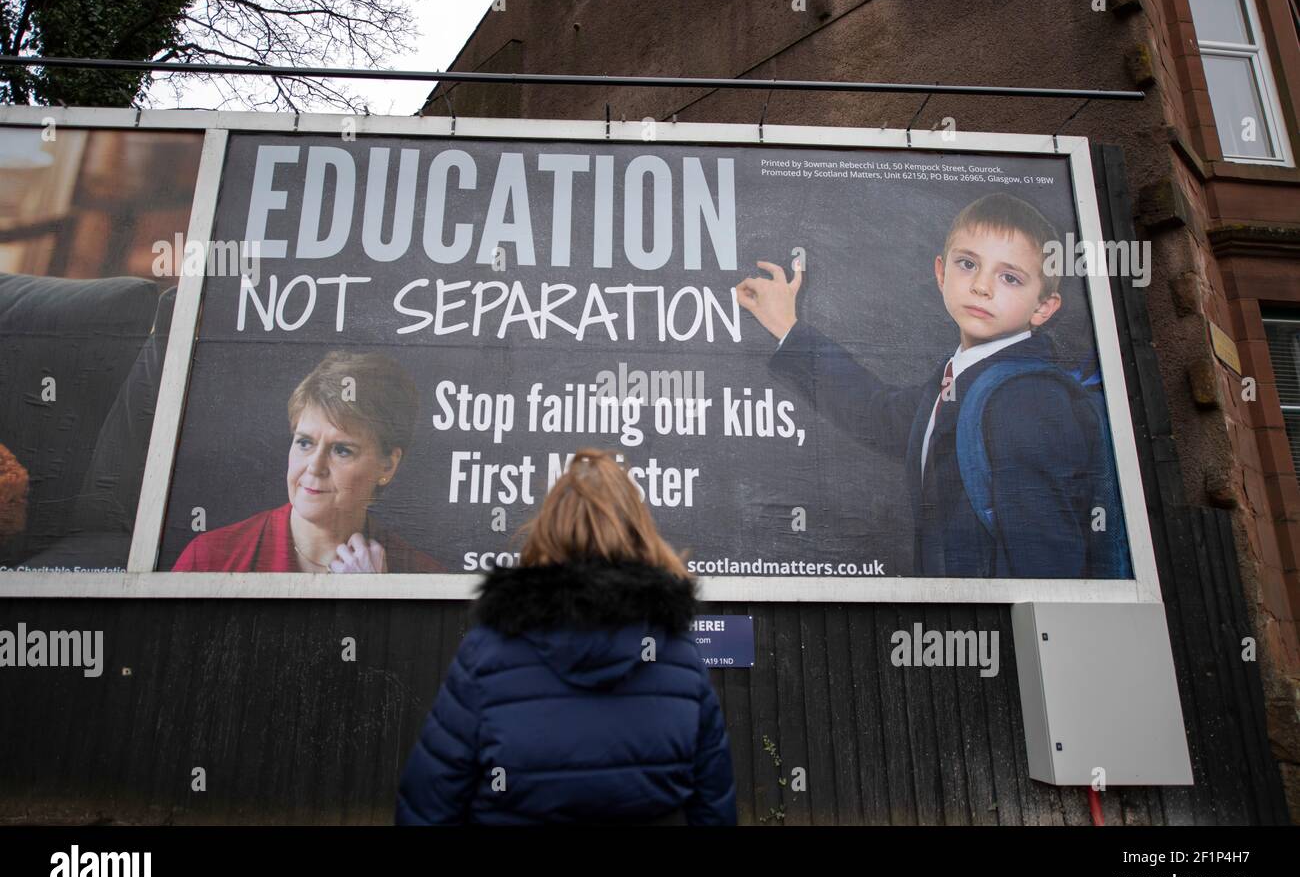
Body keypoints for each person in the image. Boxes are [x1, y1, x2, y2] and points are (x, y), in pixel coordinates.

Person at [735, 192, 1125, 579]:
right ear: (941, 273)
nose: (982, 286)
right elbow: (879, 415)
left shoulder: (1027, 398)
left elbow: (1045, 558)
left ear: (1043, 307)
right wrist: (788, 328)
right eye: (968, 264)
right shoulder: (961, 378)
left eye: (1009, 277)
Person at [395, 447, 736, 825]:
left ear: (548, 528)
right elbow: (714, 808)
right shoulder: (677, 654)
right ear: (639, 532)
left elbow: (429, 806)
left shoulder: (488, 652)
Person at [172, 350, 441, 573]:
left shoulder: (423, 575)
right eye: (304, 443)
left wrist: (375, 604)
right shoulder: (209, 559)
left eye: (342, 450)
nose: (314, 466)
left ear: (387, 466)